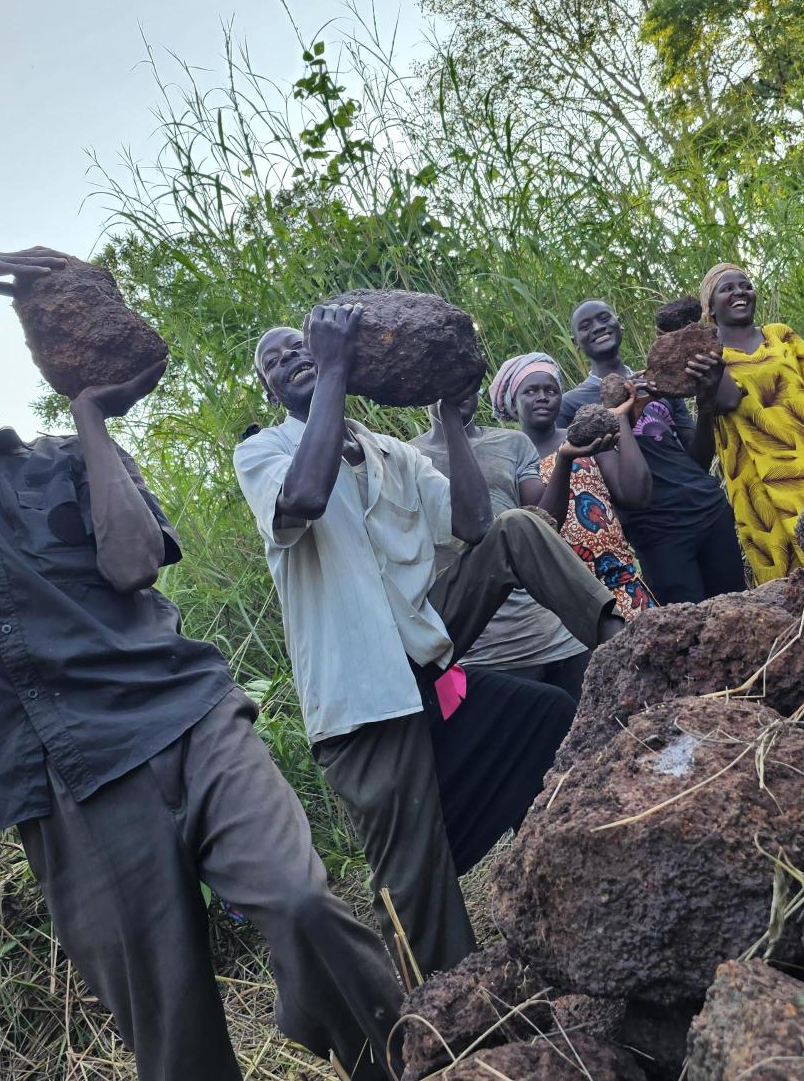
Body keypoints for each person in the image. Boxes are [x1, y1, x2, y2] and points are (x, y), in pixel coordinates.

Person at [0, 251, 401, 1081]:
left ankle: (410, 1062)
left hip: (186, 718)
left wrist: (90, 419)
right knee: (168, 1019)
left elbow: (131, 566)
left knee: (299, 902)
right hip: (69, 777)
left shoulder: (58, 458)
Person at [234, 305, 618, 978]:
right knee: (415, 886)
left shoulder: (392, 452)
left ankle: (622, 641)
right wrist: (328, 371)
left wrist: (448, 416)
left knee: (520, 545)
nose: (291, 355)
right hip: (362, 695)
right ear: (269, 389)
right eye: (276, 359)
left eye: (300, 346)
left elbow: (474, 522)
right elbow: (300, 500)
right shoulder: (264, 451)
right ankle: (450, 1026)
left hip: (426, 656)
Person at [410, 382, 623, 703]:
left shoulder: (510, 442)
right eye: (445, 380)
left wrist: (564, 460)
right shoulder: (408, 460)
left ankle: (615, 633)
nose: (458, 389)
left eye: (464, 380)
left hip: (552, 634)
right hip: (485, 652)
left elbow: (544, 521)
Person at [559, 299, 746, 605]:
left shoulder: (657, 378)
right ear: (575, 342)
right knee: (687, 627)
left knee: (738, 608)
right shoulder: (571, 405)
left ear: (619, 324)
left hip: (709, 509)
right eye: (586, 325)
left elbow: (698, 460)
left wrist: (707, 400)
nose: (598, 327)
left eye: (605, 318)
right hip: (656, 529)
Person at [696, 263, 804, 584]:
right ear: (709, 308)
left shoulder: (781, 335)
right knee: (797, 582)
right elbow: (726, 402)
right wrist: (709, 351)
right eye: (727, 289)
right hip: (761, 482)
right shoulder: (708, 358)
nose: (740, 292)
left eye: (745, 285)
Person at [492, 352, 657, 620]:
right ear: (513, 403)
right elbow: (542, 524)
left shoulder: (585, 437)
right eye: (530, 391)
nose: (543, 396)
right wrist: (565, 458)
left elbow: (636, 493)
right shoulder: (511, 456)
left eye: (551, 390)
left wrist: (619, 419)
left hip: (622, 584)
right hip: (566, 601)